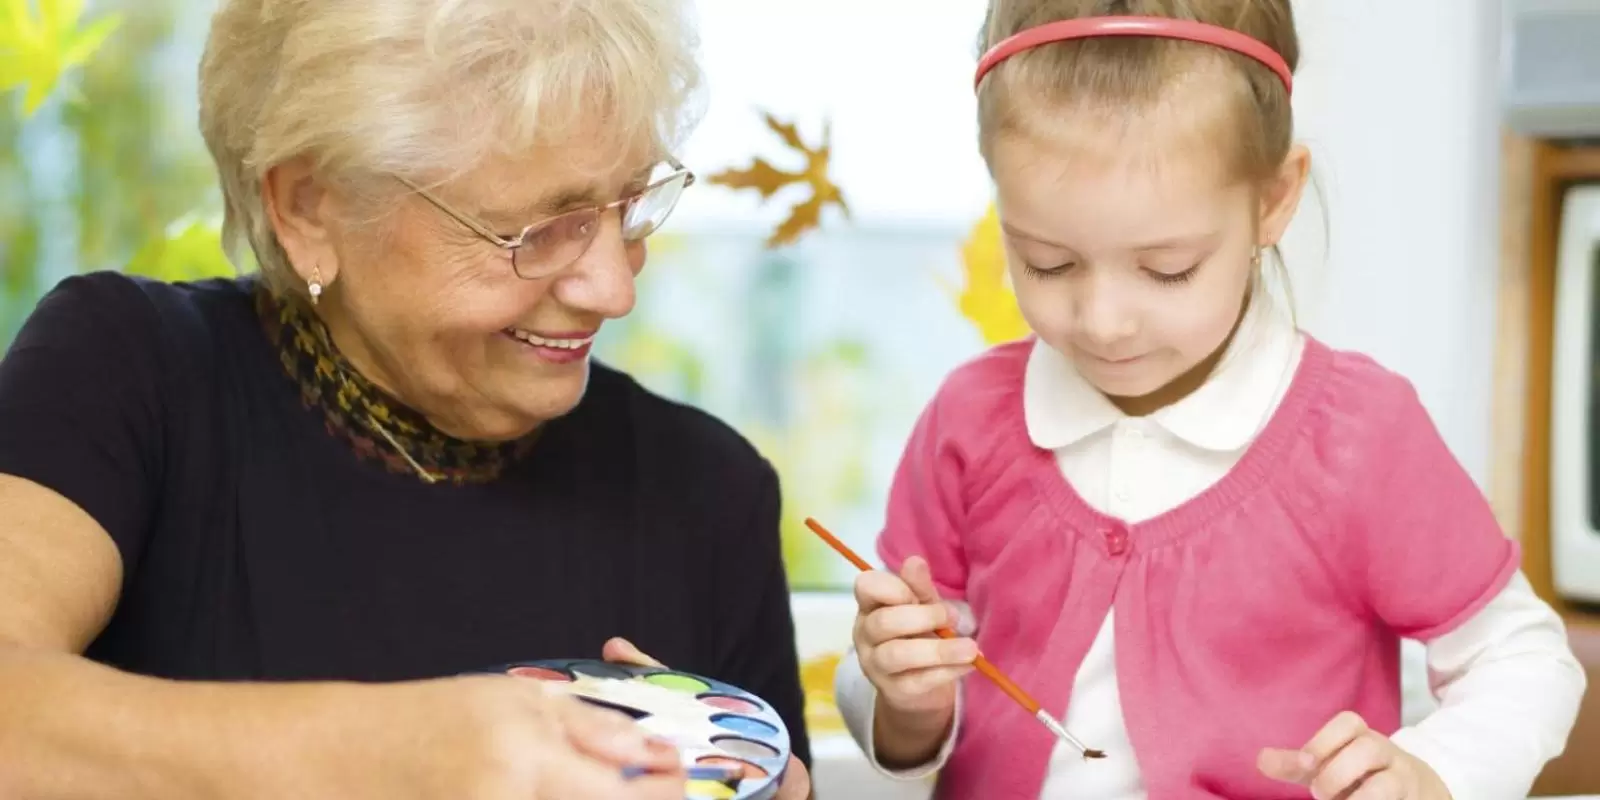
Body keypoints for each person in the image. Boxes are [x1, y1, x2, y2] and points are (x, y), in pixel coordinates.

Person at [0, 1, 811, 798]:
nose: (614, 288)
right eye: (537, 229)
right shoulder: (126, 372)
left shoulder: (710, 490)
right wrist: (393, 754)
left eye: (630, 206)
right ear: (310, 206)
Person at [834, 2, 1586, 799]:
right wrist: (903, 695)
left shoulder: (1358, 436)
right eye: (1048, 263)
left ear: (1273, 200)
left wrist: (1436, 775)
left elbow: (1522, 657)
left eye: (1167, 270)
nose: (1104, 321)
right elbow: (898, 700)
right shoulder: (969, 419)